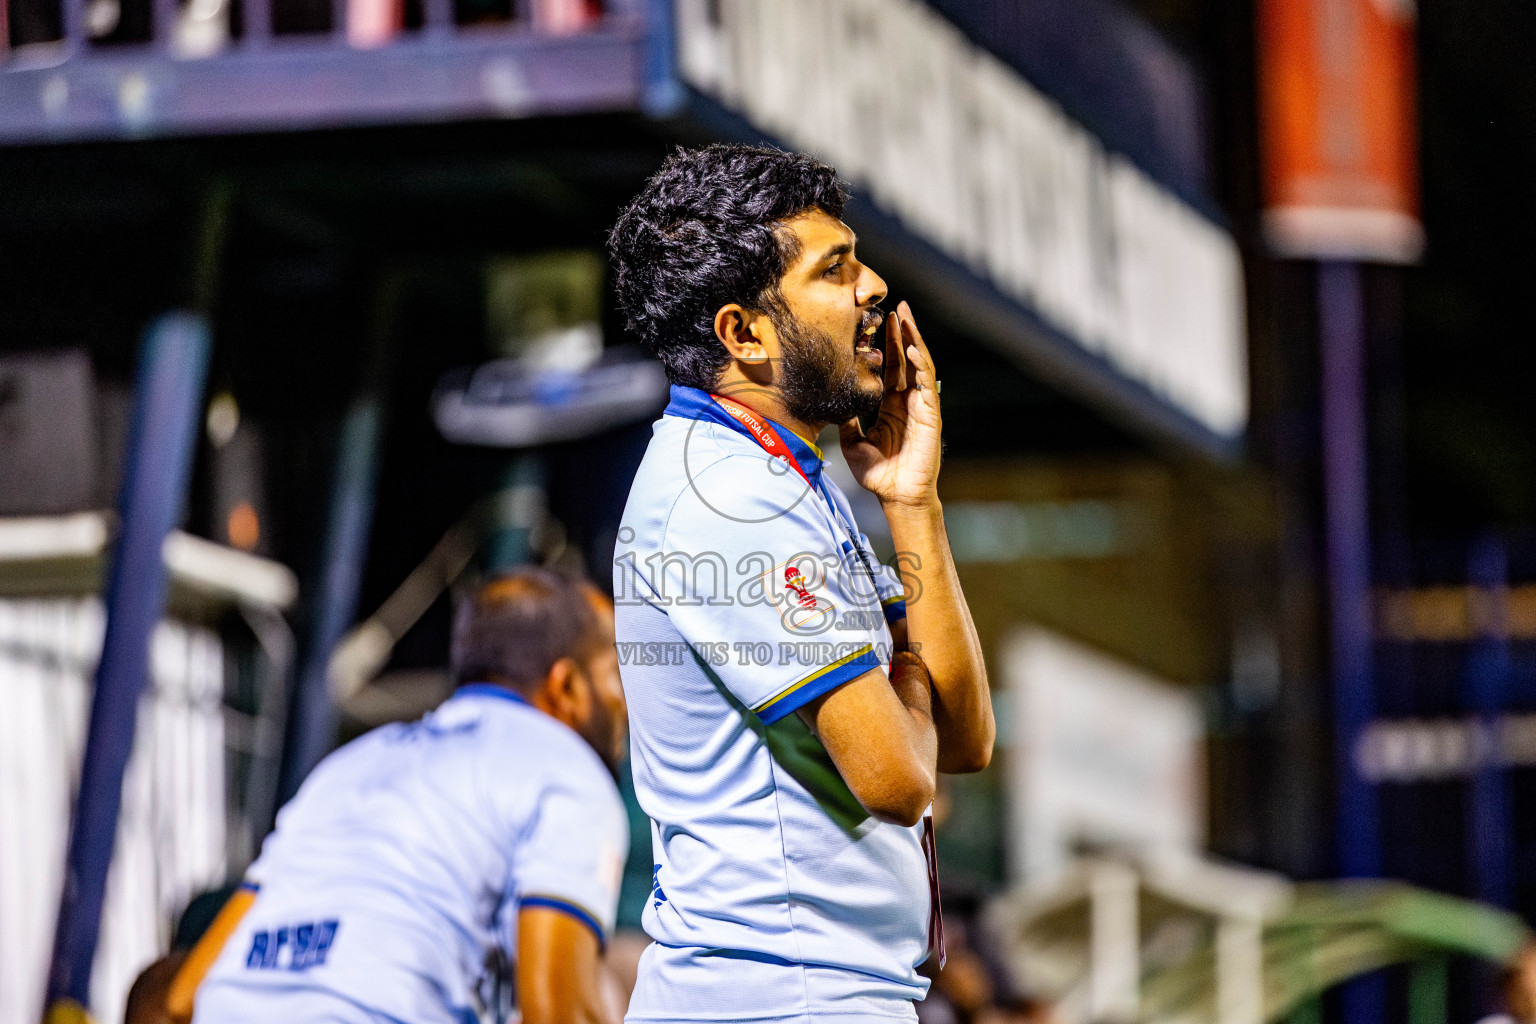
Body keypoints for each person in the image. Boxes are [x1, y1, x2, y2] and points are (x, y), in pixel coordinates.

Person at [608, 143, 995, 1022]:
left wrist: (912, 502)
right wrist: (905, 687)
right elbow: (899, 781)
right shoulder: (725, 498)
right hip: (774, 996)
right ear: (744, 334)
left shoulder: (789, 480)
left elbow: (962, 738)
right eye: (836, 270)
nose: (874, 292)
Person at [182, 568, 629, 1024]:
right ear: (567, 686)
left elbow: (181, 998)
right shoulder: (569, 768)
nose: (628, 701)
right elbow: (559, 1013)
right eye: (615, 673)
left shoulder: (348, 763)